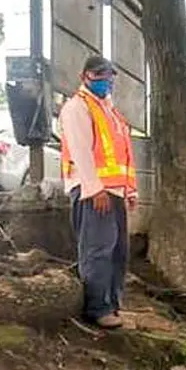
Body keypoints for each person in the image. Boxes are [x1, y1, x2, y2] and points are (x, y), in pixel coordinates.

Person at [58, 56, 136, 330]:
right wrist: (93, 188)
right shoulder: (77, 107)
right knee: (98, 249)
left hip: (114, 191)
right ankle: (97, 307)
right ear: (85, 77)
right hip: (93, 190)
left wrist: (130, 189)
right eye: (99, 76)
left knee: (117, 251)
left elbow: (123, 153)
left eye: (109, 76)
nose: (106, 81)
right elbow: (81, 151)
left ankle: (112, 303)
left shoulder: (110, 111)